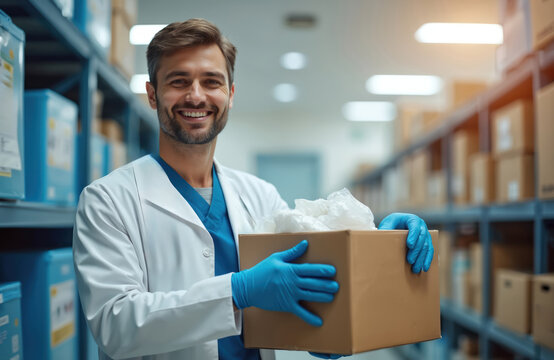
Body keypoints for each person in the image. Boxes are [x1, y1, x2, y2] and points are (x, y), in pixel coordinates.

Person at [73, 18, 434, 360]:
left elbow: (311, 299)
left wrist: (381, 246)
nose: (196, 97)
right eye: (179, 81)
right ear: (152, 95)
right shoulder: (107, 200)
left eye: (211, 82)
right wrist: (237, 291)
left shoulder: (261, 196)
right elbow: (114, 325)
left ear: (230, 95)